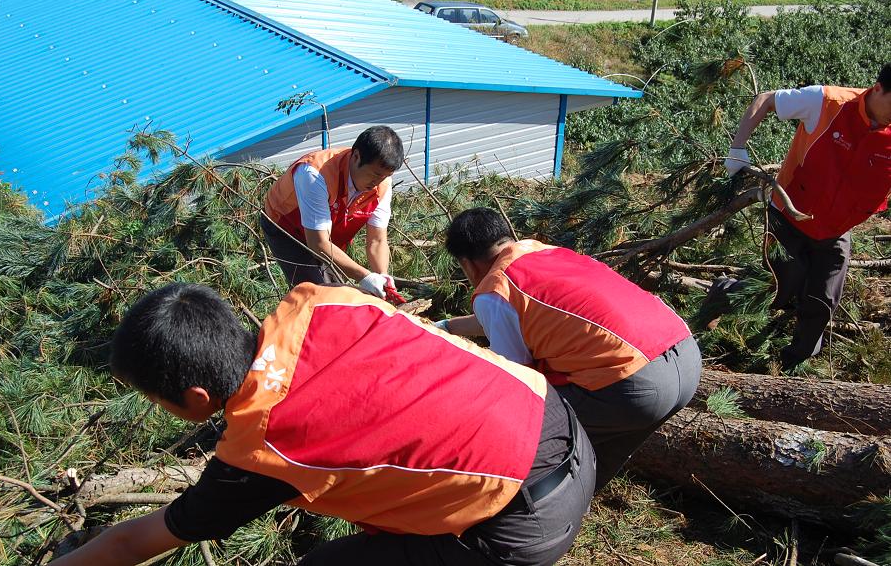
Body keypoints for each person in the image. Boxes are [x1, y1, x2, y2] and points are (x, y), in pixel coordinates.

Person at [52, 282, 595, 566]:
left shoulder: (260, 451)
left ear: (196, 398)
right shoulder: (320, 303)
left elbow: (136, 543)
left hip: (526, 519)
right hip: (564, 423)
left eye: (154, 398)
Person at [439, 208, 701, 491]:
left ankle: (527, 506)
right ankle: (580, 499)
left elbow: (514, 377)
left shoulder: (495, 288)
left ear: (467, 264)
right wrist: (447, 327)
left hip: (634, 385)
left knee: (530, 420)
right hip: (685, 358)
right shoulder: (546, 253)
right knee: (605, 449)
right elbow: (512, 316)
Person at [724, 63, 891, 370]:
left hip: (837, 228)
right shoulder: (828, 103)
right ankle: (719, 300)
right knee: (777, 288)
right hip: (789, 217)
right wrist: (738, 148)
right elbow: (766, 99)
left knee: (822, 301)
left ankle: (793, 366)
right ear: (878, 88)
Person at [261, 125, 403, 299]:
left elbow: (377, 240)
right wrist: (365, 276)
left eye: (384, 177)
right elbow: (318, 243)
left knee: (338, 289)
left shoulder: (382, 182)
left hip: (325, 233)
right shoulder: (314, 173)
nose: (377, 182)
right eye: (375, 175)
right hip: (286, 226)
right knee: (316, 295)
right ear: (356, 156)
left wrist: (382, 276)